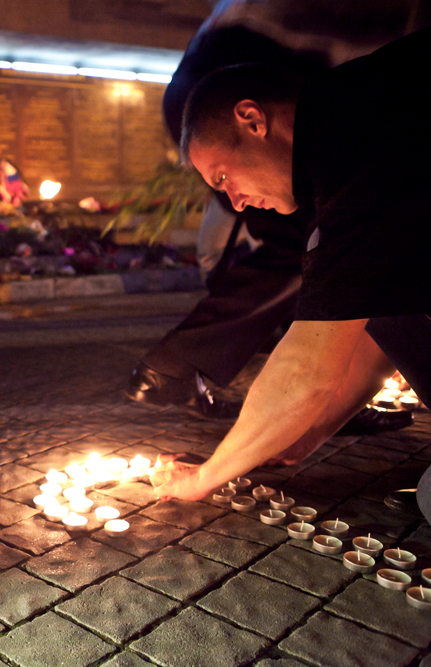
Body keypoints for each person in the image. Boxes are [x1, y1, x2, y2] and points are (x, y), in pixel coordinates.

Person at [152, 28, 431, 520]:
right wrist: (308, 433)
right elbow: (377, 330)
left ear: (252, 119)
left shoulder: (357, 139)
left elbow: (307, 368)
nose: (235, 201)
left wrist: (204, 478)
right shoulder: (354, 126)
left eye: (223, 177)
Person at [127, 1, 418, 434]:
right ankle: (191, 368)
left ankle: (311, 385)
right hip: (237, 76)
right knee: (321, 249)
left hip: (221, 74)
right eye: (219, 183)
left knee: (327, 249)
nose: (235, 203)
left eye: (224, 180)